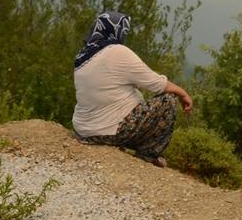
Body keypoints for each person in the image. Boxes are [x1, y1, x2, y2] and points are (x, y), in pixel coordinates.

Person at [72, 11, 193, 167]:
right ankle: (148, 155)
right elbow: (157, 84)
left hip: (82, 130)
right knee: (168, 100)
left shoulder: (84, 55)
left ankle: (122, 143)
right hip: (106, 131)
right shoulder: (117, 51)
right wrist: (183, 94)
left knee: (131, 94)